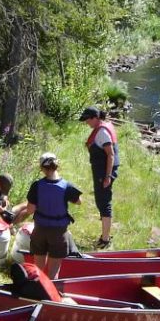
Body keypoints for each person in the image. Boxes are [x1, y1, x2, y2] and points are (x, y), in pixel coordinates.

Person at [24, 153, 83, 278]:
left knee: (38, 271)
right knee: (53, 273)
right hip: (58, 233)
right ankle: (51, 295)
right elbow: (79, 202)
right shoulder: (67, 186)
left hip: (40, 231)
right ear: (57, 166)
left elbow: (30, 210)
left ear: (42, 168)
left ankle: (37, 292)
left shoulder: (37, 185)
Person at [79, 106, 119, 249]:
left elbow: (111, 154)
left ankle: (105, 239)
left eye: (87, 119)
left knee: (104, 203)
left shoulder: (101, 132)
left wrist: (107, 177)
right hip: (103, 172)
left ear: (95, 118)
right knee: (102, 202)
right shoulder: (105, 125)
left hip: (104, 173)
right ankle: (105, 233)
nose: (86, 123)